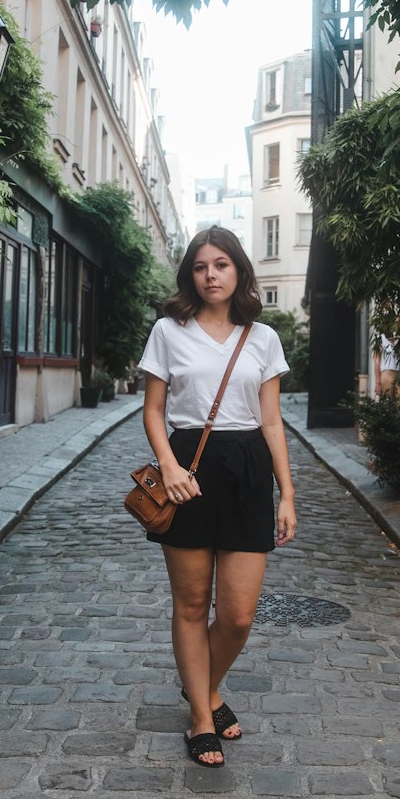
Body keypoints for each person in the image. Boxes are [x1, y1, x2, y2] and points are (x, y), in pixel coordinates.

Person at [138, 227, 297, 767]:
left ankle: (202, 686)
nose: (211, 275)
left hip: (250, 470)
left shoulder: (263, 338)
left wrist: (286, 494)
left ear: (239, 271)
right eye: (202, 266)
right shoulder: (168, 331)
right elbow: (154, 411)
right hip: (189, 467)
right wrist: (170, 466)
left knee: (237, 617)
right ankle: (202, 716)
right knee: (190, 605)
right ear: (191, 274)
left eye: (222, 264)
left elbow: (272, 421)